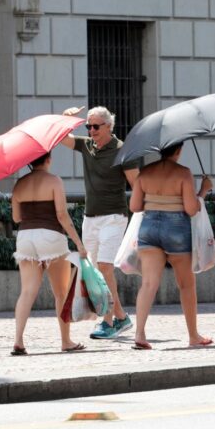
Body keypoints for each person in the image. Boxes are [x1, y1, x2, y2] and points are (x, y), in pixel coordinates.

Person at [62, 106, 139, 340]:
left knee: (105, 267)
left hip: (114, 217)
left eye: (96, 126)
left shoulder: (122, 149)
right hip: (90, 218)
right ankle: (121, 317)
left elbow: (137, 184)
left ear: (109, 126)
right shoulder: (87, 145)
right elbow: (63, 139)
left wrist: (142, 217)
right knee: (95, 272)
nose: (92, 130)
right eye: (89, 126)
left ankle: (108, 321)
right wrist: (67, 119)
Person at [129, 142, 213, 349]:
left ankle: (139, 334)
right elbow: (192, 209)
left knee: (148, 283)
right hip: (176, 228)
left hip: (148, 228)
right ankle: (193, 335)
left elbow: (134, 206)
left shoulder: (145, 173)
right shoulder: (184, 173)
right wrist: (203, 191)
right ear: (178, 150)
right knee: (186, 284)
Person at [10, 152, 88, 355]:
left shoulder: (19, 184)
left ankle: (18, 340)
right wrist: (78, 243)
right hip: (51, 236)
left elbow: (17, 217)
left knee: (27, 291)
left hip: (25, 237)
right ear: (48, 160)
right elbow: (62, 215)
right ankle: (66, 341)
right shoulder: (54, 181)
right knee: (61, 292)